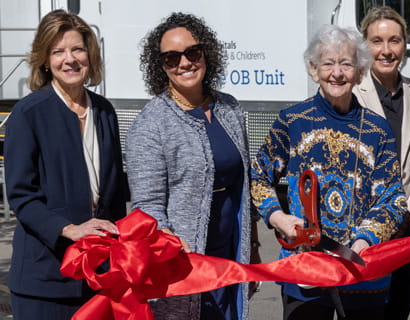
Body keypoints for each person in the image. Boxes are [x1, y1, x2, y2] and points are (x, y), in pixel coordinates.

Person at [251, 24, 406, 320]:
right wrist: (279, 217)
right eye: (328, 63)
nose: (337, 72)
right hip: (304, 270)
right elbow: (258, 176)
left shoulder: (377, 129)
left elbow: (393, 198)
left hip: (361, 271)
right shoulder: (292, 121)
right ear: (313, 69)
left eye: (346, 63)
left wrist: (364, 240)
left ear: (360, 72)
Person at [127, 12, 260, 320]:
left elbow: (246, 187)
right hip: (185, 263)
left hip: (231, 254)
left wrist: (252, 246)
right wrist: (169, 238)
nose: (184, 63)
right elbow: (146, 207)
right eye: (171, 58)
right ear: (160, 66)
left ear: (206, 53)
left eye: (192, 52)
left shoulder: (229, 108)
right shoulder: (151, 124)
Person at [4, 9, 127, 319]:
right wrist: (69, 229)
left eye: (77, 49)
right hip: (45, 281)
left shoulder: (104, 111)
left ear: (90, 54)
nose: (69, 59)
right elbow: (21, 195)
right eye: (58, 51)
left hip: (98, 277)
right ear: (46, 60)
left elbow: (112, 193)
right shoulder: (29, 113)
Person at [352, 7, 410, 319]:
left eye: (394, 41)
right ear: (364, 46)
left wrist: (406, 209)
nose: (386, 51)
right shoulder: (350, 94)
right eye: (377, 41)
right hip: (366, 229)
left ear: (405, 45)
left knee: (408, 304)